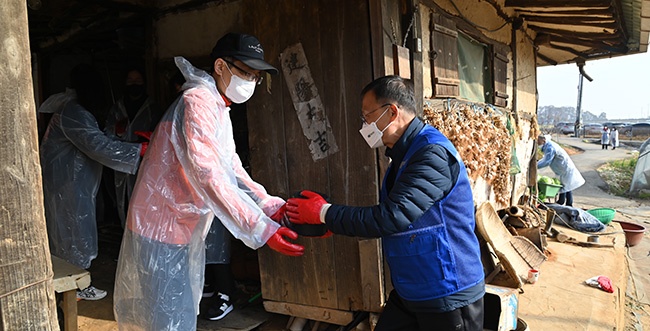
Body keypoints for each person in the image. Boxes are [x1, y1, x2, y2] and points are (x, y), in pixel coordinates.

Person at [113, 32, 304, 330]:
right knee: (167, 318)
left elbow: (231, 166)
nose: (251, 81)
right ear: (220, 66)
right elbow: (208, 172)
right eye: (245, 72)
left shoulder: (218, 105)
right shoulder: (198, 101)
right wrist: (258, 226)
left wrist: (267, 204)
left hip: (178, 225)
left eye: (255, 76)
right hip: (159, 226)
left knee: (179, 311)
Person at [286, 76, 485, 331]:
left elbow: (392, 217)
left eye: (367, 116)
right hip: (413, 287)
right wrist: (332, 222)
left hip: (447, 291)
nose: (364, 124)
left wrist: (325, 213)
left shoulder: (431, 154)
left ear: (392, 112)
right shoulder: (405, 154)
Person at [39, 63, 146, 300]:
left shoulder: (74, 110)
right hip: (67, 185)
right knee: (72, 232)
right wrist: (139, 150)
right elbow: (97, 146)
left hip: (71, 183)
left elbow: (97, 139)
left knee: (74, 230)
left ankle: (75, 284)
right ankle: (74, 288)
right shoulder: (74, 111)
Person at [105, 68, 162, 227]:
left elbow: (160, 137)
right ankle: (125, 236)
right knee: (122, 200)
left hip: (145, 163)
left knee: (143, 201)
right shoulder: (117, 108)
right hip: (120, 162)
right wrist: (118, 132)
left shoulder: (153, 108)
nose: (134, 84)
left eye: (138, 80)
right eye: (130, 81)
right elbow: (107, 135)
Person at [536, 134, 585, 206]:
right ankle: (567, 203)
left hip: (564, 169)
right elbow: (545, 159)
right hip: (562, 169)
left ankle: (564, 202)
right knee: (566, 186)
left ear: (543, 140)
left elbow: (547, 161)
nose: (538, 143)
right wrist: (537, 163)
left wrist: (535, 166)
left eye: (538, 141)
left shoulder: (550, 147)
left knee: (565, 186)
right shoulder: (548, 145)